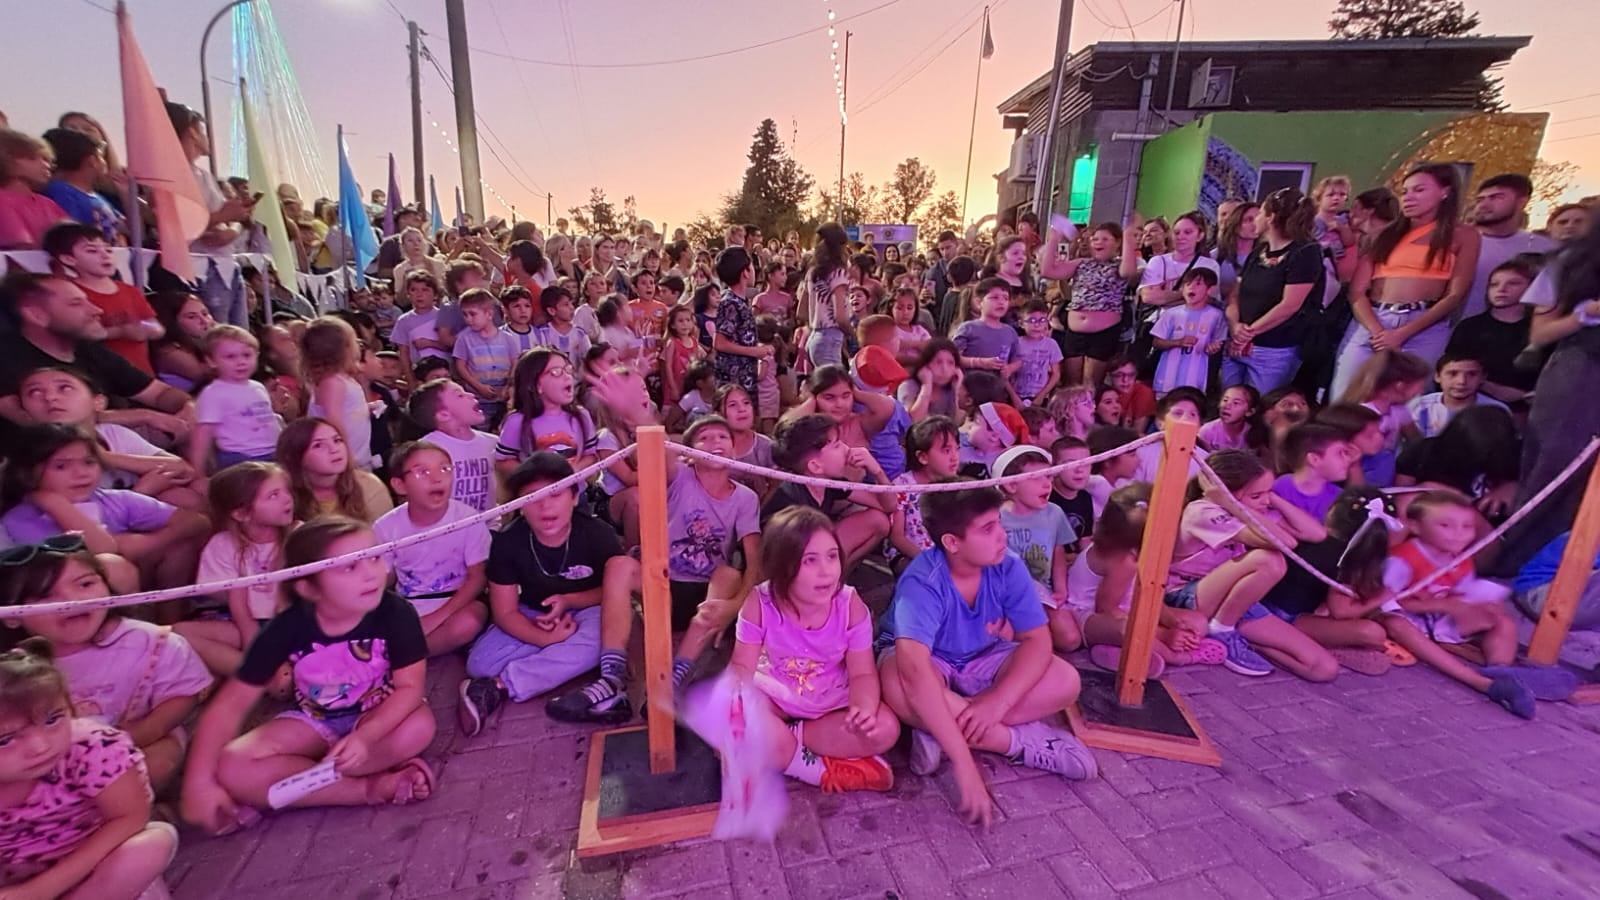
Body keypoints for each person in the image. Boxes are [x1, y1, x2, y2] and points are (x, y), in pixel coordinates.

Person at [182, 518, 437, 833]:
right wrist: (198, 783)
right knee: (234, 766)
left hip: (380, 716)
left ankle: (299, 784)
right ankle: (370, 788)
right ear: (307, 587)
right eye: (349, 567)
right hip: (316, 720)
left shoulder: (395, 612)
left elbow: (409, 689)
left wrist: (364, 737)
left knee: (419, 727)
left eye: (374, 556)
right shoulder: (285, 628)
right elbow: (229, 706)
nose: (371, 572)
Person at [877, 483, 1096, 827]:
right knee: (896, 682)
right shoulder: (922, 581)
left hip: (984, 658)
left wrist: (997, 701)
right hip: (932, 666)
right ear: (952, 543)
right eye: (987, 528)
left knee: (1065, 681)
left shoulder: (1007, 566)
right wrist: (965, 766)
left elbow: (1037, 640)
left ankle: (935, 728)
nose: (1001, 535)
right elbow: (915, 672)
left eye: (998, 522)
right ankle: (1016, 743)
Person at [1, 539, 212, 789]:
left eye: (86, 584)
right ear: (11, 616)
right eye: (45, 595)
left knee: (157, 761)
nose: (72, 600)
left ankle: (131, 815)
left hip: (140, 745)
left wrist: (145, 731)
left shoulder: (152, 642)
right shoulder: (13, 667)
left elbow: (183, 694)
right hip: (43, 762)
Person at [720, 507, 899, 793]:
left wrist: (863, 707)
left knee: (885, 728)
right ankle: (821, 770)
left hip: (832, 702)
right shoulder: (760, 602)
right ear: (782, 567)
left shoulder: (850, 605)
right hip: (776, 697)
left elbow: (863, 673)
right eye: (810, 560)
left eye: (831, 556)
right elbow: (741, 667)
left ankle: (786, 745)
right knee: (730, 728)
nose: (826, 570)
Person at [460, 453, 638, 732]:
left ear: (574, 497)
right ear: (520, 506)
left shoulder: (596, 533)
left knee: (599, 642)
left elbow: (613, 591)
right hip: (533, 612)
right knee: (480, 663)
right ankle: (559, 658)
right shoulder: (508, 541)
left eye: (555, 494)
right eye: (532, 497)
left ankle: (501, 686)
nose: (545, 506)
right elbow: (505, 611)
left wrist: (569, 601)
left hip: (590, 610)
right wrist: (547, 638)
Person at [0, 641, 178, 899]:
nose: (40, 747)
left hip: (96, 869)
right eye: (5, 740)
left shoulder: (91, 748)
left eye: (53, 720)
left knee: (153, 844)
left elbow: (130, 816)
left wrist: (41, 890)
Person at [1169, 450, 1335, 679]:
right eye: (1257, 495)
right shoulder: (1202, 511)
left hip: (1233, 600)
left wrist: (1268, 498)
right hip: (1189, 596)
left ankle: (1236, 636)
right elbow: (1284, 543)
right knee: (1269, 559)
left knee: (1323, 669)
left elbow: (1315, 534)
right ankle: (1222, 630)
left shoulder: (1255, 511)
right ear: (1226, 494)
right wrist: (1233, 504)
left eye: (1269, 493)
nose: (1266, 501)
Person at [1497, 219, 1600, 573]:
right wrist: (1586, 314)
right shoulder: (1570, 262)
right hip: (1582, 371)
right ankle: (1521, 567)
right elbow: (1541, 333)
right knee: (1557, 469)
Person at [1332, 165, 1481, 399]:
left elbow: (1455, 294)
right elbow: (1357, 292)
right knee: (1345, 397)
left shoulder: (1463, 235)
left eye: (1419, 190)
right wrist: (1379, 331)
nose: (1409, 197)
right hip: (1373, 322)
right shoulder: (1383, 235)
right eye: (1405, 192)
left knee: (1406, 407)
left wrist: (1403, 333)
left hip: (1424, 326)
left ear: (1445, 192)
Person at [2, 424, 209, 590]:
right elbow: (103, 550)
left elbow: (197, 522)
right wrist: (54, 503)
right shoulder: (20, 519)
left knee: (179, 548)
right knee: (113, 567)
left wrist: (145, 543)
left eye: (89, 462)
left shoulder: (114, 500)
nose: (81, 473)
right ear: (27, 474)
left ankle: (168, 623)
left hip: (134, 586)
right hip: (63, 600)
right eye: (61, 466)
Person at [0, 274, 194, 439]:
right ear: (36, 315)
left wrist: (188, 407)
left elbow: (159, 393)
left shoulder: (90, 350)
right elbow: (45, 423)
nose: (97, 310)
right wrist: (144, 416)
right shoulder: (6, 357)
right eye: (76, 304)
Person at [1067, 483, 1224, 675]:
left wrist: (1172, 621)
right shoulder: (1123, 561)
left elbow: (1147, 596)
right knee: (1128, 630)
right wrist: (1163, 634)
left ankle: (1116, 652)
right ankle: (1177, 657)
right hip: (1089, 617)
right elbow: (1106, 609)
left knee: (1198, 621)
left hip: (1129, 611)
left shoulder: (1139, 554)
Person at [16, 365, 203, 511]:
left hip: (127, 512)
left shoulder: (112, 433)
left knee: (198, 488)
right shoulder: (33, 454)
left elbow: (184, 469)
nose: (50, 397)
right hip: (88, 537)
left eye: (64, 388)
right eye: (35, 392)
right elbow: (81, 520)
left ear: (98, 402)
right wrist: (140, 492)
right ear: (26, 414)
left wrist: (104, 456)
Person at [176, 462, 295, 678]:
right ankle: (262, 677)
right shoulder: (223, 545)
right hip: (241, 623)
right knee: (179, 633)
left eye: (286, 491)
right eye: (273, 495)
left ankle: (259, 675)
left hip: (291, 624)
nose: (287, 499)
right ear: (241, 514)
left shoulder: (301, 536)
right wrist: (256, 651)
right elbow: (239, 609)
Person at [373, 442, 490, 656]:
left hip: (458, 602)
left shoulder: (468, 519)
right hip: (409, 605)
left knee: (469, 622)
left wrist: (435, 619)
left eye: (445, 469)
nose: (437, 478)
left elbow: (477, 578)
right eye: (422, 472)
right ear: (400, 485)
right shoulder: (385, 526)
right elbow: (384, 579)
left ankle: (399, 657)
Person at [1381, 491, 1519, 665]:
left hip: (1441, 617)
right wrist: (1438, 604)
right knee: (1396, 624)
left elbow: (1458, 594)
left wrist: (1480, 604)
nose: (1458, 534)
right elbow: (1383, 604)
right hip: (1408, 620)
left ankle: (1500, 669)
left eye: (1467, 526)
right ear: (1416, 526)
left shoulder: (1461, 559)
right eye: (1445, 526)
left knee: (1504, 621)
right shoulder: (1403, 560)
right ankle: (1447, 646)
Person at [1224, 188, 1325, 392]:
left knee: (1261, 408)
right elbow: (1236, 292)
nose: (1257, 219)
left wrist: (1249, 333)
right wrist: (1235, 325)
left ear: (1271, 217)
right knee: (1229, 402)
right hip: (1237, 340)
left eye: (1260, 213)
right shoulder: (1259, 250)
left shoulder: (1306, 252)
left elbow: (1289, 305)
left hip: (1274, 347)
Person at [760, 414, 894, 566]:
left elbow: (887, 506)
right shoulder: (794, 502)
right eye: (837, 445)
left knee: (878, 520)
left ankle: (837, 577)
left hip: (810, 553)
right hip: (785, 564)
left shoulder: (829, 482)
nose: (846, 449)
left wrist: (877, 471)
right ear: (815, 466)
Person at [995, 446, 1082, 653]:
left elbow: (1058, 551)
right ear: (1011, 485)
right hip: (1008, 596)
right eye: (1037, 478)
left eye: (1049, 477)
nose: (1047, 485)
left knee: (1070, 640)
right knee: (1005, 637)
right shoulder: (997, 518)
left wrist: (1060, 589)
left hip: (1045, 594)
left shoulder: (1054, 513)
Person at [43, 225, 158, 379]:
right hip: (100, 378)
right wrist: (121, 331)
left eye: (109, 250)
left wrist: (145, 328)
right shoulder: (69, 293)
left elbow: (156, 326)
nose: (105, 255)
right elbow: (74, 335)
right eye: (92, 250)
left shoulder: (130, 290)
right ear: (68, 259)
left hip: (142, 375)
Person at [1040, 217, 1141, 387]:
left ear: (1117, 243)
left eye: (1105, 239)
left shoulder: (1118, 265)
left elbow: (1128, 271)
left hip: (1103, 333)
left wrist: (1128, 236)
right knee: (1071, 384)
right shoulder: (1082, 264)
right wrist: (1054, 238)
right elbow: (1048, 270)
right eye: (1095, 238)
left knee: (1090, 385)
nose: (1098, 242)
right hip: (1075, 332)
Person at [1463, 173, 1558, 320]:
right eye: (1480, 199)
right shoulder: (1454, 242)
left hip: (1517, 336)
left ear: (1522, 202)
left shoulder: (1545, 248)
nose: (1484, 205)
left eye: (1496, 197)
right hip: (1451, 334)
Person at [1443, 259, 1538, 404]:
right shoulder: (1470, 327)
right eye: (1494, 284)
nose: (1501, 289)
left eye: (1513, 283)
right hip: (1476, 404)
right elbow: (1451, 369)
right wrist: (1494, 389)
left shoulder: (1540, 329)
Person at [191, 325, 282, 472]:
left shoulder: (258, 386)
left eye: (246, 355)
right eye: (230, 357)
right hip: (240, 458)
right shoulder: (214, 393)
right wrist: (197, 470)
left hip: (273, 453)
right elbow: (203, 433)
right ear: (211, 361)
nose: (241, 362)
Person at [496, 349, 597, 473]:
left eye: (568, 369)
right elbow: (503, 461)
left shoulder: (582, 416)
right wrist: (536, 477)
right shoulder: (517, 421)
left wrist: (575, 469)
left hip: (576, 491)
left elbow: (591, 455)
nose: (567, 376)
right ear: (536, 385)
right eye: (556, 372)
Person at [1338, 351, 1428, 488]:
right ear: (1400, 385)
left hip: (1387, 470)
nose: (1421, 391)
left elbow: (1416, 441)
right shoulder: (1361, 412)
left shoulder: (1400, 412)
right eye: (1420, 385)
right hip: (1358, 470)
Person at [275, 417, 393, 522]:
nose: (334, 449)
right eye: (318, 445)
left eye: (337, 440)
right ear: (296, 457)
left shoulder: (369, 487)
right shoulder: (282, 496)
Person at [303, 317, 375, 471]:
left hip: (359, 457)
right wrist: (346, 456)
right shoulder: (332, 382)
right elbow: (333, 422)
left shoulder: (344, 379)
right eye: (354, 340)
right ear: (345, 348)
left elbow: (346, 410)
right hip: (345, 462)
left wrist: (366, 408)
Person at [1152, 268, 1227, 396]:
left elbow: (1218, 342)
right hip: (1167, 380)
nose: (1191, 287)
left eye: (1198, 284)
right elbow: (1156, 342)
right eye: (1187, 284)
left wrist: (1213, 348)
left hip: (1196, 381)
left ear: (1210, 290)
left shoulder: (1217, 316)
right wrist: (1178, 342)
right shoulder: (1171, 314)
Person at [451, 288, 519, 425]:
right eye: (465, 315)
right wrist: (478, 386)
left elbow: (515, 362)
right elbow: (461, 366)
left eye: (473, 314)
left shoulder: (507, 338)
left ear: (489, 314)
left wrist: (508, 386)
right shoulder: (464, 338)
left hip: (503, 398)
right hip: (478, 398)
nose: (468, 319)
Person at [1406, 351, 1509, 439]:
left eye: (1472, 374)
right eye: (1453, 374)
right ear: (1437, 376)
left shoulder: (1496, 411)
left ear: (1483, 378)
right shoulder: (1418, 406)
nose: (1462, 381)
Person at [1272, 423, 1358, 523]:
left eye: (1346, 453)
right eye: (1340, 453)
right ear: (1314, 459)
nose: (1348, 459)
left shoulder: (1339, 498)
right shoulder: (1279, 487)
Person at [0, 128, 68, 250]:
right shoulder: (2, 201)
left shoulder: (47, 204)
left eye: (47, 160)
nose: (47, 166)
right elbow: (21, 249)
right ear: (6, 160)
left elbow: (74, 241)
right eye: (34, 158)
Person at [713, 246, 768, 397]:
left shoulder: (740, 302)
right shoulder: (730, 303)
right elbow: (720, 342)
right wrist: (754, 351)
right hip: (733, 381)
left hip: (745, 377)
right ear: (745, 272)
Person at [952, 278, 1021, 378]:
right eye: (995, 298)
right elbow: (954, 358)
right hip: (970, 386)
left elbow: (1018, 360)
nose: (1001, 302)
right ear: (979, 302)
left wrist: (1010, 368)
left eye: (1005, 298)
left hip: (998, 388)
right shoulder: (968, 328)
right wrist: (980, 362)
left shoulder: (1010, 332)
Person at [1011, 299, 1064, 407]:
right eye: (1032, 321)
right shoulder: (1015, 343)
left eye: (1042, 320)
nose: (1037, 325)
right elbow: (1007, 374)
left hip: (1041, 397)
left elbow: (1056, 373)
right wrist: (1014, 397)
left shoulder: (1051, 344)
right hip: (1017, 396)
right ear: (1021, 323)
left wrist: (1041, 396)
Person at [533, 284, 593, 368]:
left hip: (575, 380)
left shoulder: (580, 333)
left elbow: (589, 358)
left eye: (571, 304)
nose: (572, 307)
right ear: (551, 311)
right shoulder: (542, 333)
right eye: (566, 305)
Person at [1198, 384, 1263, 453]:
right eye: (1225, 400)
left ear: (1250, 412)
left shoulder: (1254, 434)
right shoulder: (1207, 431)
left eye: (1236, 403)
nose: (1227, 406)